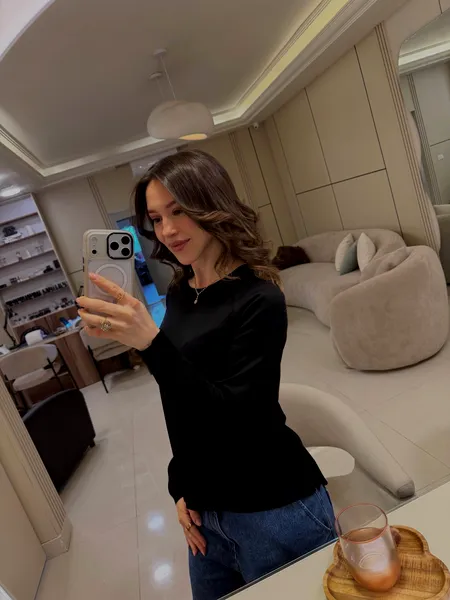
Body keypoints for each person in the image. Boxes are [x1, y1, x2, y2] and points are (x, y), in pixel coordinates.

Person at [77, 150, 335, 600]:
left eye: (179, 211)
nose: (168, 230)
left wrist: (151, 344)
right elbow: (182, 405)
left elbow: (239, 416)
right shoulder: (182, 291)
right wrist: (182, 487)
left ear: (212, 205)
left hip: (273, 508)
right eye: (156, 218)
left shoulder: (259, 300)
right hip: (205, 514)